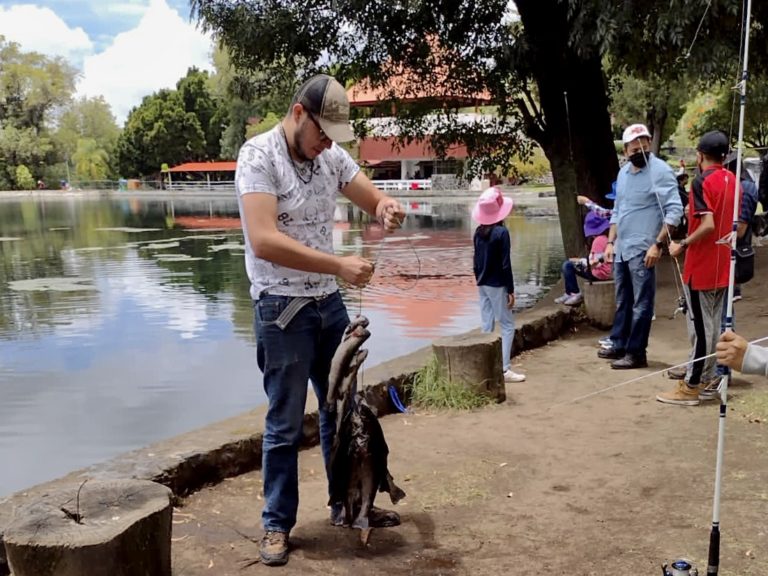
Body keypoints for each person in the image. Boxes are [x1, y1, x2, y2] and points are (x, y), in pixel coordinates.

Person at [235, 74, 405, 566]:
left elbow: (370, 198)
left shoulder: (330, 155)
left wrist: (386, 207)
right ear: (297, 114)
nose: (327, 142)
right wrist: (338, 265)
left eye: (334, 134)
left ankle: (346, 504)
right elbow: (263, 239)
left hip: (328, 304)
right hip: (280, 306)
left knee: (344, 412)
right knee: (284, 424)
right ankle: (276, 524)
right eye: (322, 131)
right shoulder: (258, 156)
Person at [657, 131, 737, 406]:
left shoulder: (701, 182)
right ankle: (710, 379)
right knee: (715, 326)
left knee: (703, 330)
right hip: (724, 265)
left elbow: (708, 225)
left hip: (702, 267)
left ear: (700, 155)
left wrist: (683, 244)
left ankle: (692, 386)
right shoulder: (733, 180)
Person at [598, 123, 683, 369]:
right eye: (635, 149)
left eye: (645, 148)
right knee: (623, 299)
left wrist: (658, 244)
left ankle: (636, 353)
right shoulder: (623, 174)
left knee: (642, 303)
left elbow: (674, 210)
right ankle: (619, 343)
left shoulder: (661, 171)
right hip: (622, 248)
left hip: (644, 248)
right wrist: (610, 242)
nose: (640, 153)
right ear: (625, 151)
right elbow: (618, 210)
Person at [472, 186, 526, 383]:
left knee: (486, 325)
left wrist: (478, 277)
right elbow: (505, 264)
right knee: (507, 325)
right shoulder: (501, 233)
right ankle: (504, 369)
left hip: (482, 282)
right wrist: (510, 289)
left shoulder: (479, 232)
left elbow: (475, 261)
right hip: (497, 283)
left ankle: (486, 366)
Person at [554, 211, 613, 306]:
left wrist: (582, 263)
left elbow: (596, 263)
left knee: (567, 265)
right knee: (572, 263)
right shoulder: (606, 239)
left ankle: (574, 292)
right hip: (606, 273)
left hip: (599, 274)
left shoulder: (598, 241)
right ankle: (569, 293)